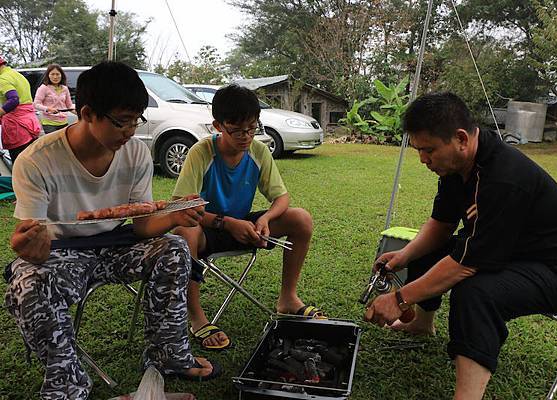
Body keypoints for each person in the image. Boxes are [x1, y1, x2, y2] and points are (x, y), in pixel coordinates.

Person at [4, 61, 220, 400]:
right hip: (64, 252)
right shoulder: (36, 160)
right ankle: (69, 386)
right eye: (122, 121)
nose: (131, 131)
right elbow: (37, 243)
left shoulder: (135, 153)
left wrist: (176, 216)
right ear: (87, 113)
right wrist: (28, 248)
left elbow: (144, 225)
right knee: (28, 281)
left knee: (175, 250)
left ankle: (169, 356)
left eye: (137, 120)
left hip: (118, 246)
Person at [364, 92, 557, 399]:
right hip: (512, 251)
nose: (423, 160)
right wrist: (403, 257)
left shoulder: (502, 178)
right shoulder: (455, 167)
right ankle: (422, 323)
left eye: (428, 150)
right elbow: (441, 225)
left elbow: (466, 265)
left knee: (474, 291)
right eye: (419, 151)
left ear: (460, 138)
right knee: (432, 245)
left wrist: (400, 298)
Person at [173, 84, 324, 350]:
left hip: (246, 226)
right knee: (184, 232)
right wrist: (226, 223)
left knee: (300, 218)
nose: (245, 136)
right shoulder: (201, 152)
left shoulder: (257, 150)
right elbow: (182, 208)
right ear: (218, 126)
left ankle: (288, 298)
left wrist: (265, 219)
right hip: (208, 229)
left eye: (252, 128)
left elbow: (281, 198)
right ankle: (196, 317)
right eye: (237, 130)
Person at [0, 55, 41, 162]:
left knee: (19, 165)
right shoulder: (17, 75)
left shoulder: (3, 79)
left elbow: (13, 100)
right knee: (31, 163)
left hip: (17, 127)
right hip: (29, 123)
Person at [33, 64, 76, 134]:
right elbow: (36, 104)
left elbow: (69, 106)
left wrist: (80, 114)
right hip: (49, 123)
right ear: (48, 75)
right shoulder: (44, 88)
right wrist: (48, 109)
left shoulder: (65, 88)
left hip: (63, 122)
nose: (55, 77)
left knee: (63, 144)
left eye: (57, 74)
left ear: (61, 75)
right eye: (52, 74)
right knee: (53, 144)